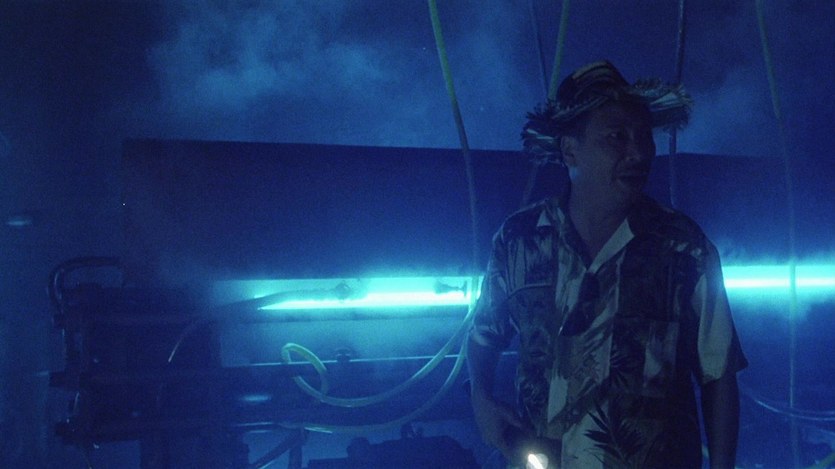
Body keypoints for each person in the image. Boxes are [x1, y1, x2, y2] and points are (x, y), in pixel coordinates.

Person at [466, 60, 748, 469]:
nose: (638, 152)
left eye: (644, 136)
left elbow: (718, 373)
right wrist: (480, 398)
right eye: (617, 137)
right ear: (570, 150)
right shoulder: (519, 240)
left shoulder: (683, 247)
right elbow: (483, 335)